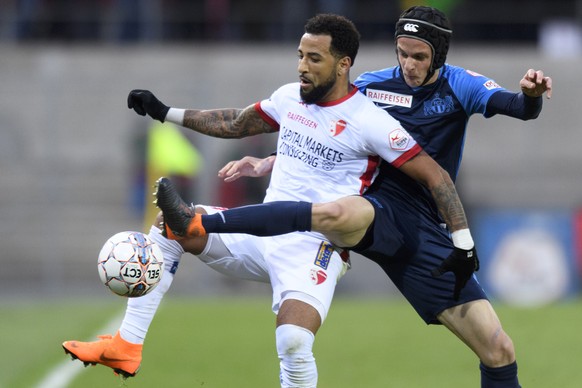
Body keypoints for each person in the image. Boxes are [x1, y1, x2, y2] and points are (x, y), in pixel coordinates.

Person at [64, 13, 477, 387]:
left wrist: (461, 240)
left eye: (315, 59)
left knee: (295, 342)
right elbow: (235, 122)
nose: (302, 66)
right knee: (169, 226)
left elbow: (435, 175)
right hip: (260, 235)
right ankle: (127, 345)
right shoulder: (289, 98)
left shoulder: (370, 120)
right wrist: (165, 111)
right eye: (300, 55)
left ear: (343, 64)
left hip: (315, 246)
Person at [152, 6, 552, 388]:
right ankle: (201, 221)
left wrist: (531, 96)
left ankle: (205, 222)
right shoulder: (372, 86)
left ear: (438, 56)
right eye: (402, 54)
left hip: (423, 230)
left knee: (497, 349)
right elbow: (324, 126)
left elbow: (519, 108)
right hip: (373, 207)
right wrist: (273, 159)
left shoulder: (462, 84)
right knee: (331, 216)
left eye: (418, 57)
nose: (408, 65)